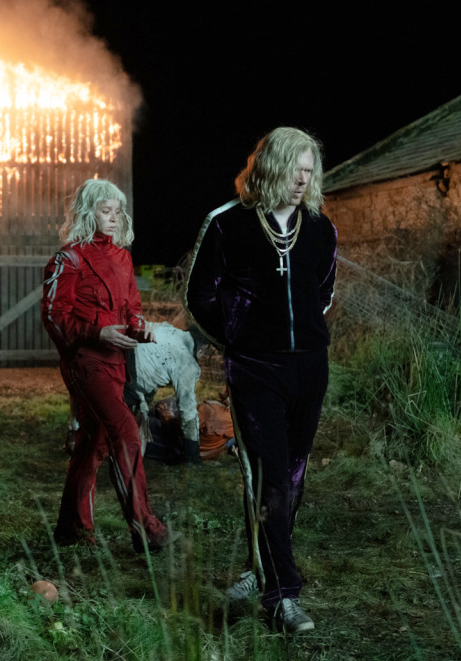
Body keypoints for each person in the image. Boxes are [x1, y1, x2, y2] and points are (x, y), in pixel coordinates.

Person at [184, 127, 337, 633]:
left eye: (309, 170)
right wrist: (238, 339)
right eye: (294, 168)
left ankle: (261, 566)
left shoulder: (320, 228)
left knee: (293, 471)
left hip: (310, 365)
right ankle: (282, 595)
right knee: (269, 471)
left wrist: (305, 335)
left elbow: (323, 292)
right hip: (256, 368)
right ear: (269, 166)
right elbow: (199, 296)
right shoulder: (228, 224)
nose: (302, 179)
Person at [43, 177, 175, 554]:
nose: (114, 218)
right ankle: (146, 529)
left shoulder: (122, 256)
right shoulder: (67, 259)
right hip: (85, 363)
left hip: (118, 362)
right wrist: (98, 333)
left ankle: (72, 528)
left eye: (118, 211)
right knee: (126, 432)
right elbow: (54, 316)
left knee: (93, 443)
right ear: (88, 212)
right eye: (106, 210)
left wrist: (140, 330)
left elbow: (131, 308)